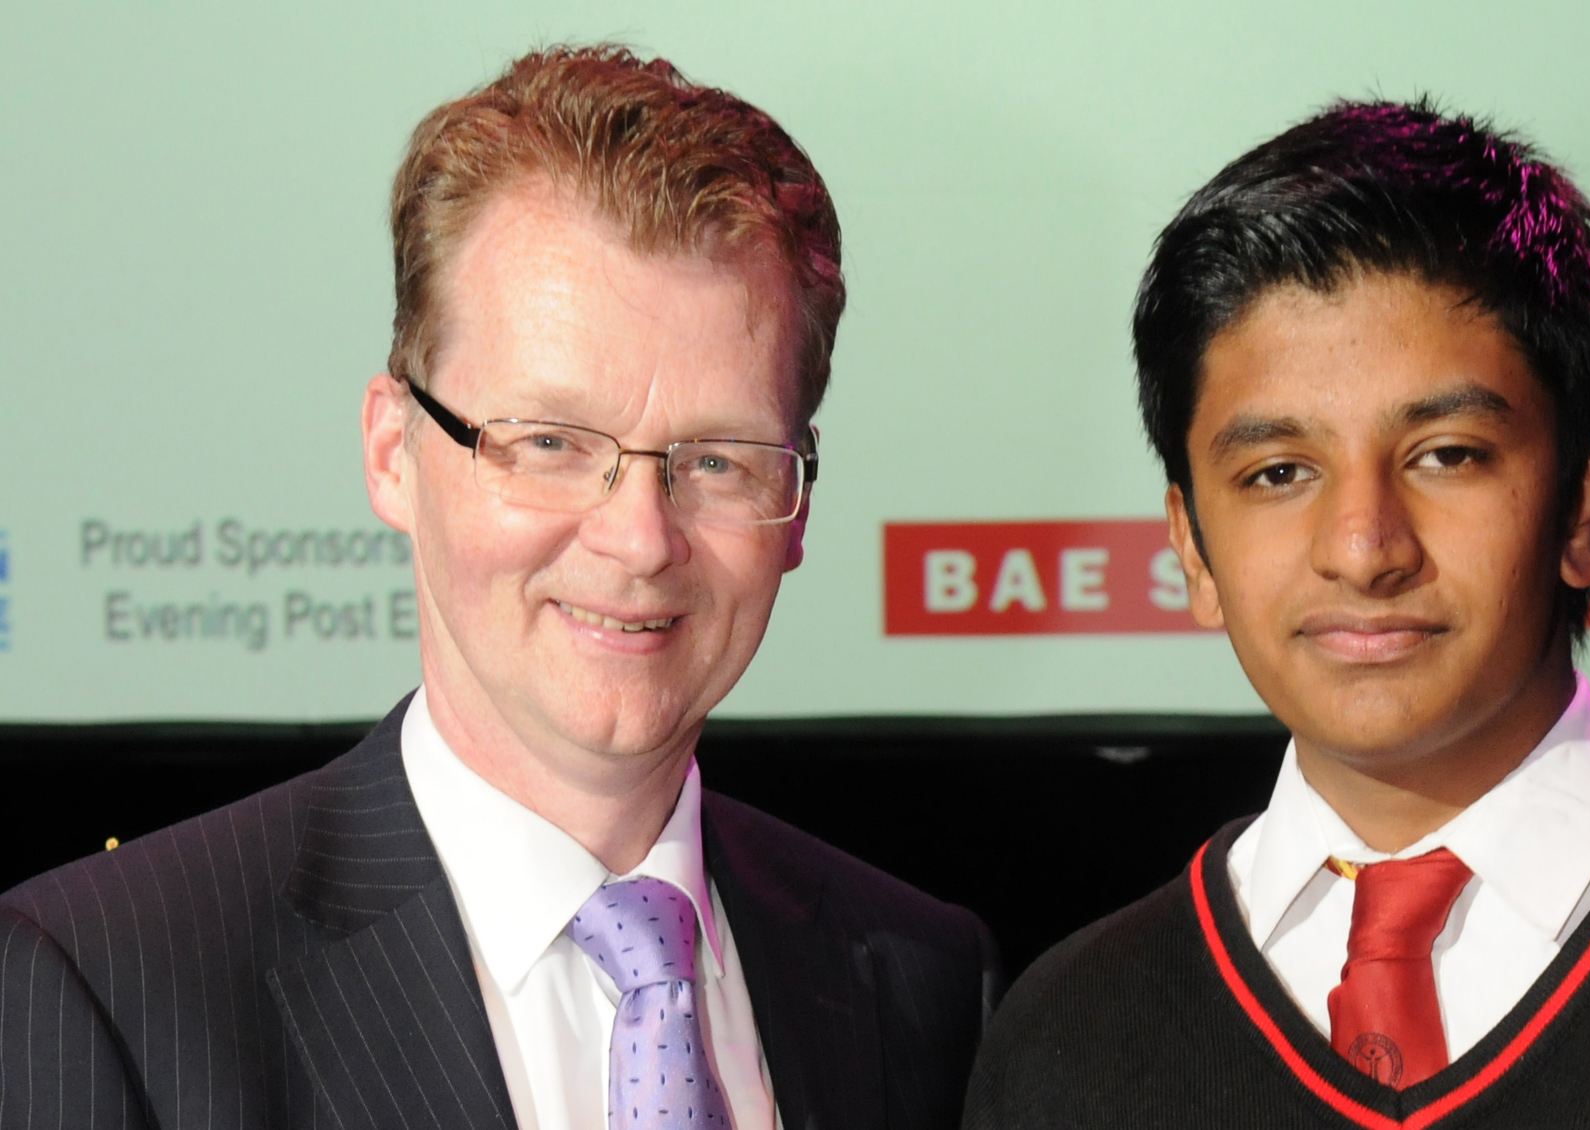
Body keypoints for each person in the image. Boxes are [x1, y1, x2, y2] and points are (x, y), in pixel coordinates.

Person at [1, 45, 995, 1130]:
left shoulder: (923, 980)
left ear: (796, 503)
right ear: (392, 451)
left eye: (716, 459)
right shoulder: (106, 982)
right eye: (552, 441)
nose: (638, 539)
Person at [963, 100, 1590, 1128]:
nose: (1363, 545)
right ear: (1191, 547)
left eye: (1444, 455)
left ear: (1585, 507)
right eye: (1278, 472)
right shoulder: (1068, 1034)